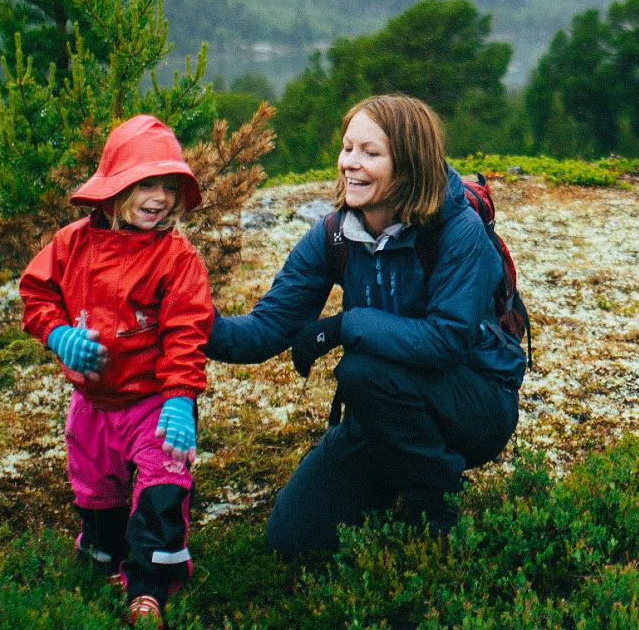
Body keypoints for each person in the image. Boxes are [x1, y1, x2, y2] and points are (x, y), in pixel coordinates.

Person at [205, 93, 523, 551]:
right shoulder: (334, 235)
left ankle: (433, 502)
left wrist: (344, 326)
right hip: (382, 410)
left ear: (410, 165)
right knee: (293, 538)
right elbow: (265, 330)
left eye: (371, 153)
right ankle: (400, 468)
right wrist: (190, 324)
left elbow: (446, 341)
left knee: (362, 370)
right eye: (347, 148)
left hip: (474, 405)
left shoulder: (457, 231)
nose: (350, 164)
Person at [18, 114, 213, 623]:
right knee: (97, 493)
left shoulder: (178, 258)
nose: (160, 197)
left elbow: (188, 331)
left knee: (161, 489)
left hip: (154, 403)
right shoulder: (70, 244)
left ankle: (149, 588)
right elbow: (37, 294)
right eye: (146, 183)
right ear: (115, 187)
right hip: (93, 405)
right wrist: (57, 334)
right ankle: (102, 558)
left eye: (170, 186)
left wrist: (179, 399)